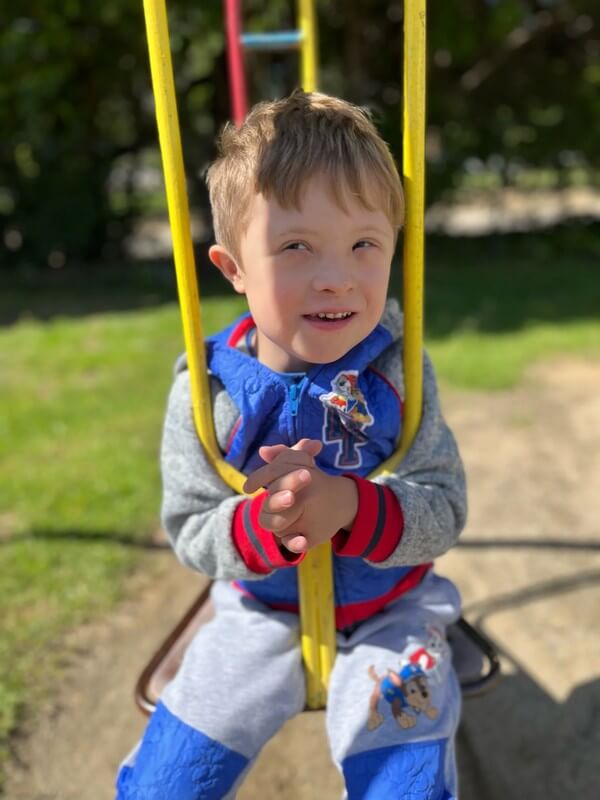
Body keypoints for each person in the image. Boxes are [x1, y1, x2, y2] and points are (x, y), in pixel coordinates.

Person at [116, 89, 467, 800]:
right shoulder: (209, 391)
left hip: (390, 614)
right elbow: (190, 526)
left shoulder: (397, 370)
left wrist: (354, 506)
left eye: (364, 245)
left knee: (409, 788)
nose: (335, 276)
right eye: (296, 246)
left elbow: (443, 505)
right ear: (232, 268)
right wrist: (257, 526)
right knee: (165, 785)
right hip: (257, 612)